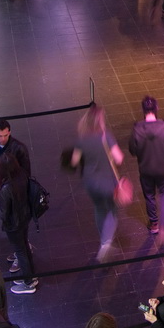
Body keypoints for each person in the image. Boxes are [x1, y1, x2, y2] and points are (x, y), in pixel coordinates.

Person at [71, 103, 126, 260]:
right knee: (112, 210)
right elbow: (119, 158)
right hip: (107, 182)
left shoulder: (81, 139)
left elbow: (74, 162)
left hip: (90, 183)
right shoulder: (105, 136)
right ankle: (106, 243)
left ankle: (103, 240)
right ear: (100, 120)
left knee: (99, 208)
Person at [129, 95, 164, 238]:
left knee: (149, 196)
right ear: (156, 108)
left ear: (143, 110)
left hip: (146, 170)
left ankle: (154, 224)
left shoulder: (137, 130)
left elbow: (132, 150)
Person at [0, 154, 38, 295]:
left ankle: (28, 282)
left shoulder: (6, 188)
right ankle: (30, 276)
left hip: (13, 224)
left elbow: (3, 212)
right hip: (25, 218)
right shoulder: (22, 176)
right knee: (24, 247)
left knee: (20, 251)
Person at [0, 119, 31, 205]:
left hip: (14, 191)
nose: (3, 139)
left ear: (9, 132)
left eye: (5, 135)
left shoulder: (19, 148)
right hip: (0, 189)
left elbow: (26, 173)